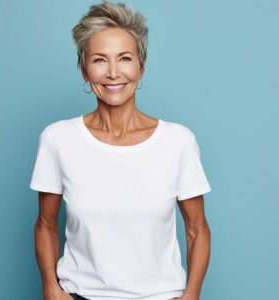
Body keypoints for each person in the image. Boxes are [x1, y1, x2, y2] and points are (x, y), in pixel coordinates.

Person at [29, 1, 212, 300]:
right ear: (84, 70)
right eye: (100, 60)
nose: (113, 73)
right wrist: (50, 286)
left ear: (141, 66)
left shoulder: (178, 141)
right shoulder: (57, 139)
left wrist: (192, 295)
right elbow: (45, 224)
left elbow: (198, 229)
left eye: (124, 58)